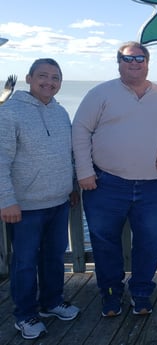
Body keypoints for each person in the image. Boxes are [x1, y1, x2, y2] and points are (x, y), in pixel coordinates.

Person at [72, 41, 157, 317]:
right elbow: (80, 131)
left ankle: (142, 293)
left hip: (151, 185)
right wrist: (84, 171)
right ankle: (110, 294)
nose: (134, 63)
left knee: (148, 242)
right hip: (105, 184)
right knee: (104, 243)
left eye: (139, 58)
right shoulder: (100, 93)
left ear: (147, 62)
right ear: (118, 62)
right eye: (128, 58)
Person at [0, 58, 80, 340]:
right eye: (43, 76)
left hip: (58, 202)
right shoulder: (9, 112)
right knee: (24, 263)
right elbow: (1, 159)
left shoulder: (61, 113)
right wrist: (6, 199)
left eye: (55, 77)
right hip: (24, 207)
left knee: (54, 258)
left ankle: (51, 302)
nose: (49, 82)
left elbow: (68, 155)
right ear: (29, 78)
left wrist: (71, 185)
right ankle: (24, 315)